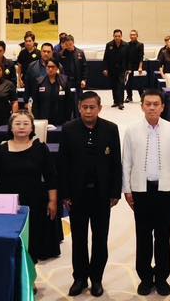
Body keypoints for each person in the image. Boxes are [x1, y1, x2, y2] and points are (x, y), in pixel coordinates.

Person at [122, 89, 170, 297]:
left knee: (163, 235)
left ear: (162, 107)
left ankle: (162, 277)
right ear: (142, 106)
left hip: (165, 190)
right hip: (141, 190)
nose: (151, 107)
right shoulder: (132, 130)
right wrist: (127, 190)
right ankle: (145, 278)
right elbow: (126, 162)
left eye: (155, 104)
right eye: (147, 104)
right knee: (143, 236)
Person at [59, 91, 122, 298]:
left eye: (92, 107)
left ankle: (96, 278)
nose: (88, 111)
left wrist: (115, 192)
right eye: (84, 107)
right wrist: (65, 193)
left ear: (99, 108)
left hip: (102, 195)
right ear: (79, 108)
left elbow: (116, 163)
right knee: (79, 239)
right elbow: (63, 164)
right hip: (76, 195)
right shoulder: (68, 129)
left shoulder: (110, 129)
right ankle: (79, 278)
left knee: (100, 238)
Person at [0, 111, 60, 262]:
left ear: (32, 128)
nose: (21, 127)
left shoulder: (41, 148)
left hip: (35, 201)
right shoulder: (0, 150)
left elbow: (51, 177)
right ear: (11, 127)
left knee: (32, 243)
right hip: (8, 203)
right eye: (17, 124)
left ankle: (30, 271)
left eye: (26, 124)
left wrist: (52, 201)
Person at [32, 58, 71, 125]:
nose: (50, 69)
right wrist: (37, 119)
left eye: (53, 67)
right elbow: (35, 103)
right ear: (46, 67)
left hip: (60, 120)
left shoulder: (64, 81)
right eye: (48, 67)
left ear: (57, 68)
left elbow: (69, 102)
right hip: (43, 119)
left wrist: (67, 119)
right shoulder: (39, 82)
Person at [103, 29, 127, 110]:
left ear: (121, 36)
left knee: (121, 85)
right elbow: (105, 58)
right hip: (112, 69)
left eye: (119, 36)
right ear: (113, 36)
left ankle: (121, 103)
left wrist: (128, 68)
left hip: (122, 69)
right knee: (114, 85)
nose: (117, 38)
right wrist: (105, 69)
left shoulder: (126, 45)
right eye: (115, 36)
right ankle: (115, 101)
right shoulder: (109, 45)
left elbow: (128, 58)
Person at [124, 30, 145, 103]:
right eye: (131, 35)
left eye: (134, 35)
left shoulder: (140, 44)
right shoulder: (127, 44)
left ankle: (142, 97)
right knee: (128, 83)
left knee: (139, 84)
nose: (132, 36)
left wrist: (140, 67)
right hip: (129, 67)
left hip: (137, 67)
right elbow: (126, 57)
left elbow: (141, 57)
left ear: (137, 36)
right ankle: (129, 97)